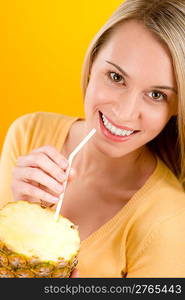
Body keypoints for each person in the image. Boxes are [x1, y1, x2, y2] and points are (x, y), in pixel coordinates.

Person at [0, 0, 185, 278]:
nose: (123, 112)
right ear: (92, 63)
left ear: (176, 108)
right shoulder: (29, 133)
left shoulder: (169, 220)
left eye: (157, 95)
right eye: (116, 76)